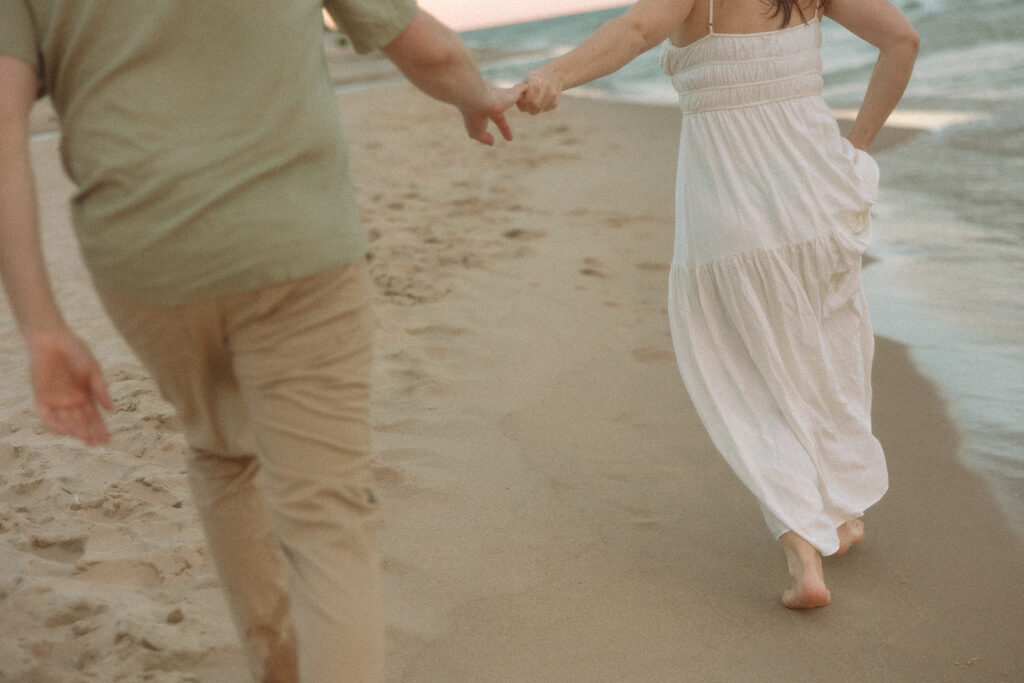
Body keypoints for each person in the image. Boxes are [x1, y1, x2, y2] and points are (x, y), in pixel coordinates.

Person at [0, 2, 521, 680]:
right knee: (326, 518)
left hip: (145, 258)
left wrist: (41, 324)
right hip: (294, 240)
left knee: (222, 453)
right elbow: (429, 51)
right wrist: (479, 98)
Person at [513, 0, 918, 608]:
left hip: (731, 213)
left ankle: (804, 549)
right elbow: (902, 41)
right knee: (827, 355)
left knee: (747, 376)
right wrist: (857, 146)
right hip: (819, 196)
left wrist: (553, 76)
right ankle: (836, 513)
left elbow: (633, 31)